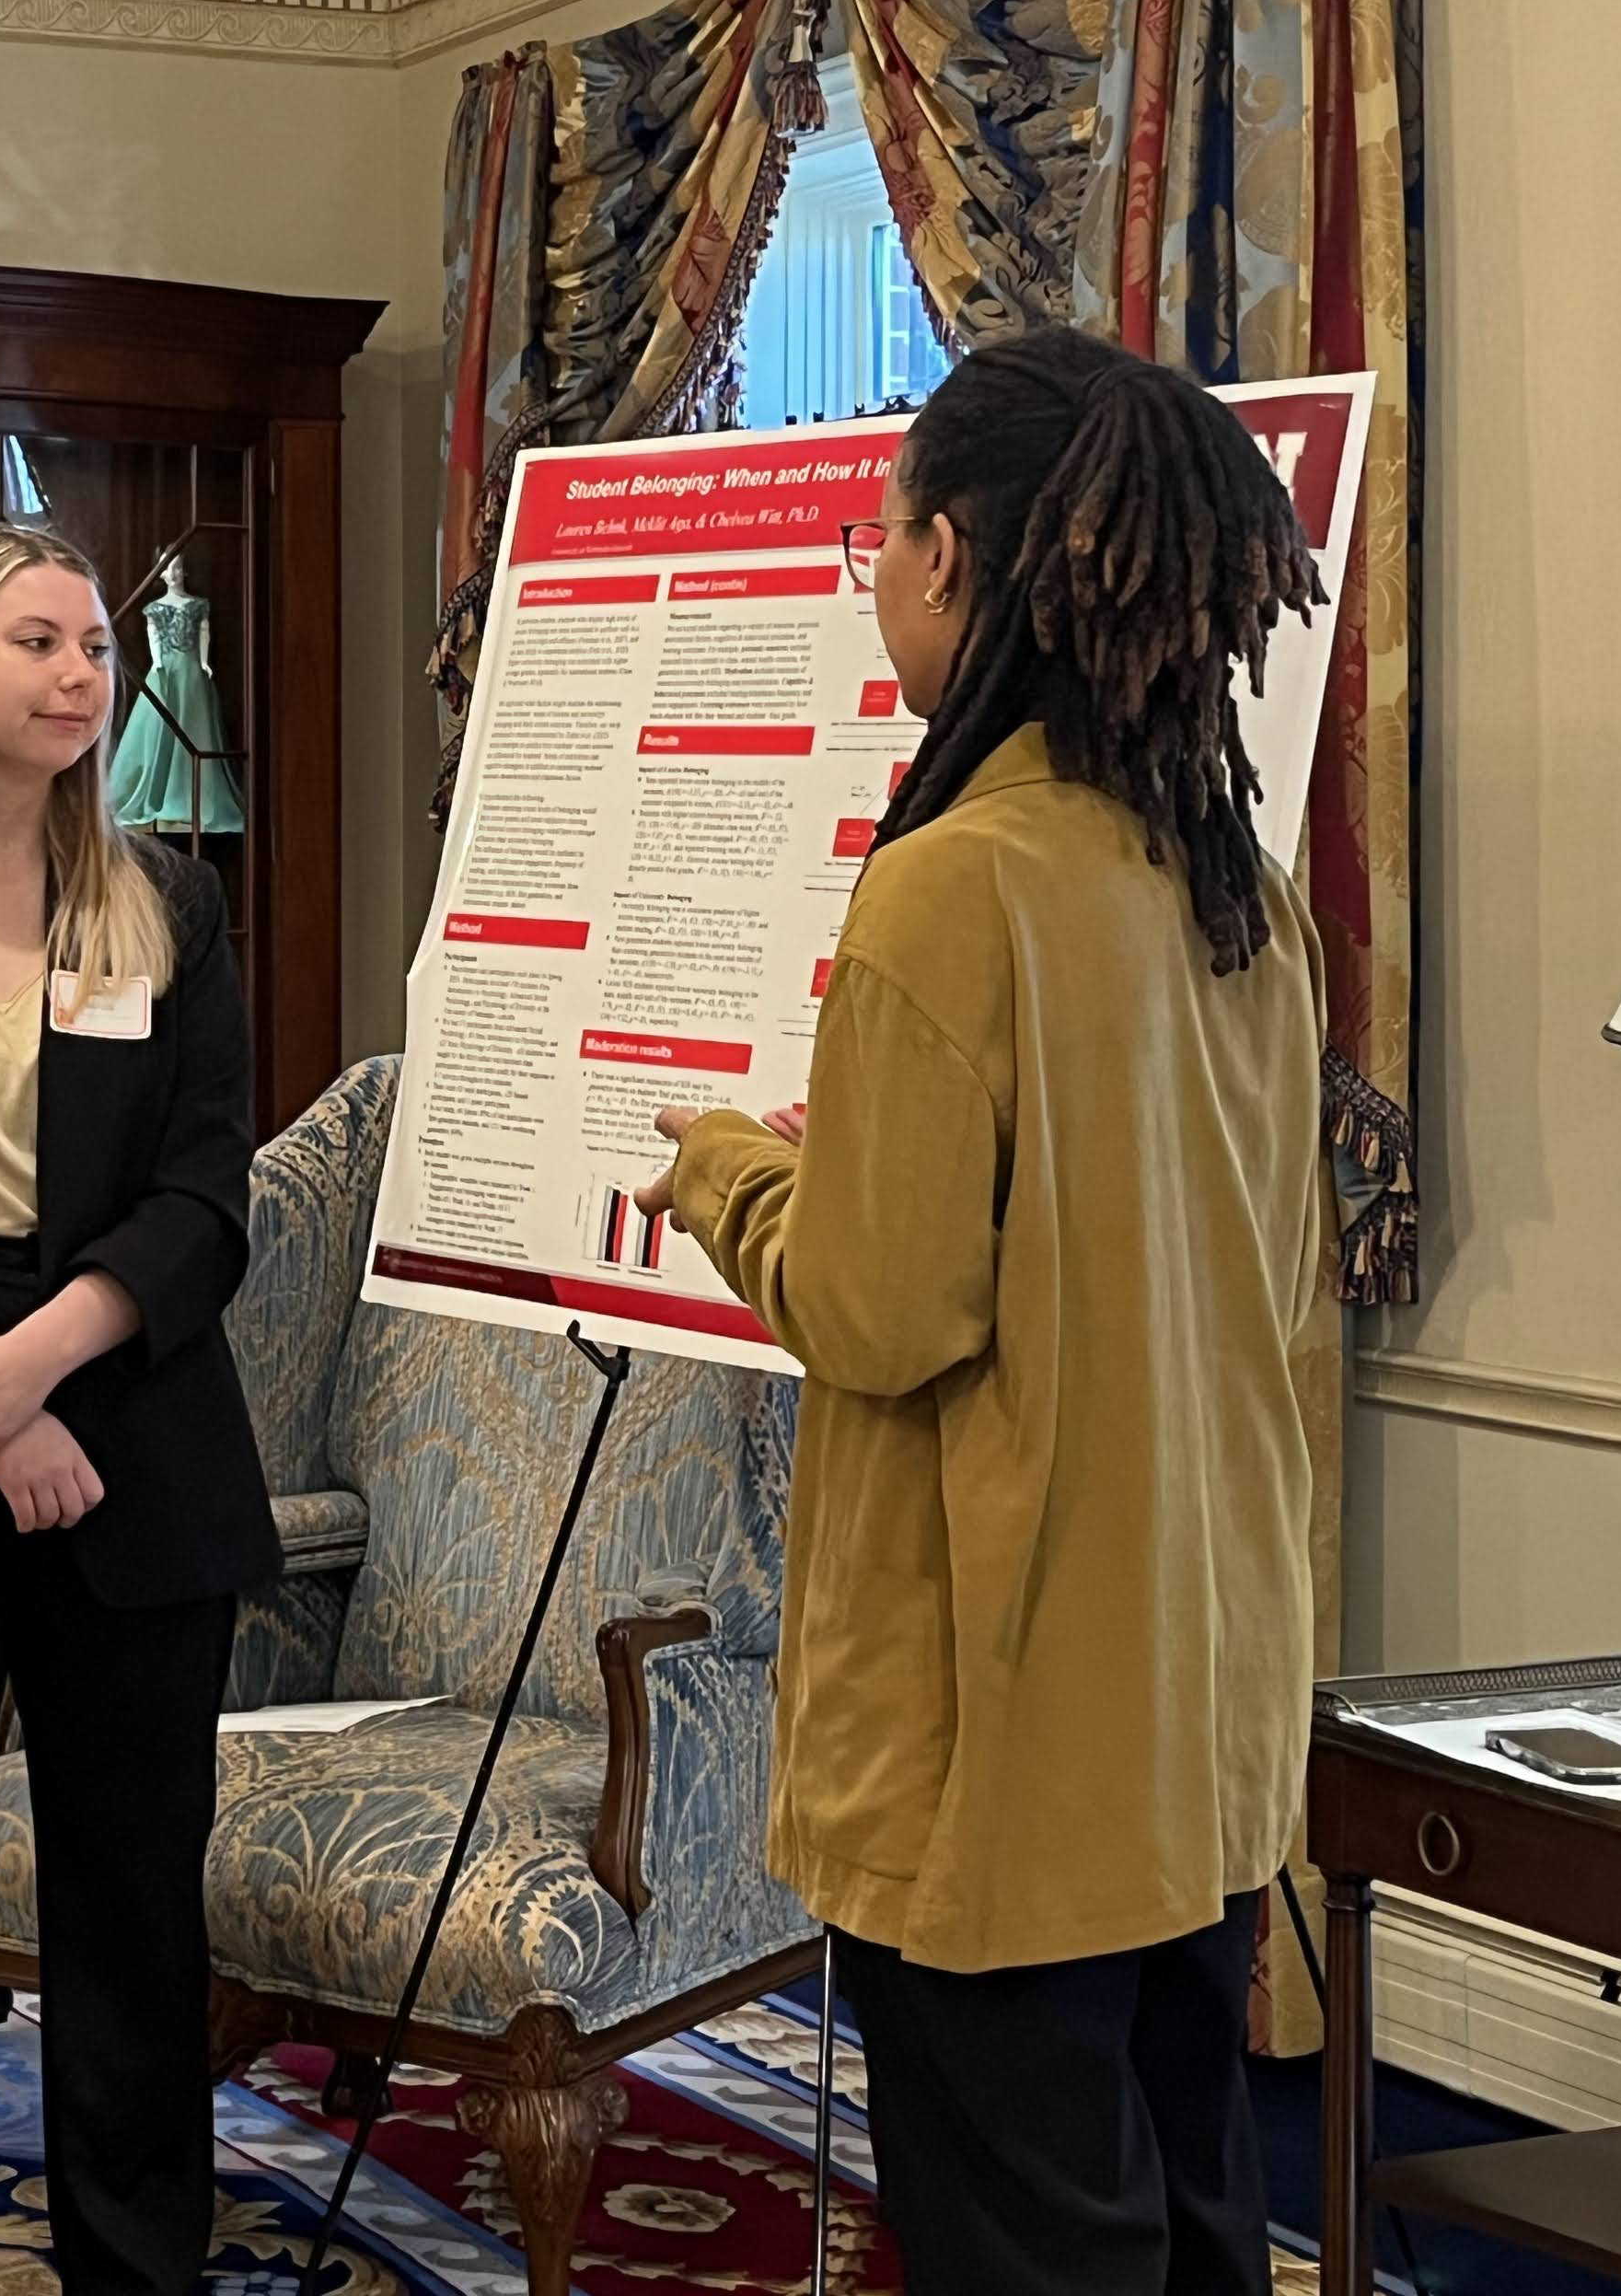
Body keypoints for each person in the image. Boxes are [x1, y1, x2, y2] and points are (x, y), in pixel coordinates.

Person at [639, 327, 1337, 2296]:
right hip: (1191, 1693)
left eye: (883, 539)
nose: (877, 578)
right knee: (1192, 2212)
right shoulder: (1231, 882)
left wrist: (730, 1166)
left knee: (1025, 2240)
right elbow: (1241, 1261)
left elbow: (877, 1309)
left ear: (950, 556)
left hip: (1001, 1710)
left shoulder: (956, 887)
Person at [0, 521, 271, 2296]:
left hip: (138, 1470)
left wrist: (47, 1361)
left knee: (135, 1923)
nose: (86, 675)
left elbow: (208, 1192)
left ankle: (139, 2270)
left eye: (97, 645)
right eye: (41, 642)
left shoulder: (169, 898)